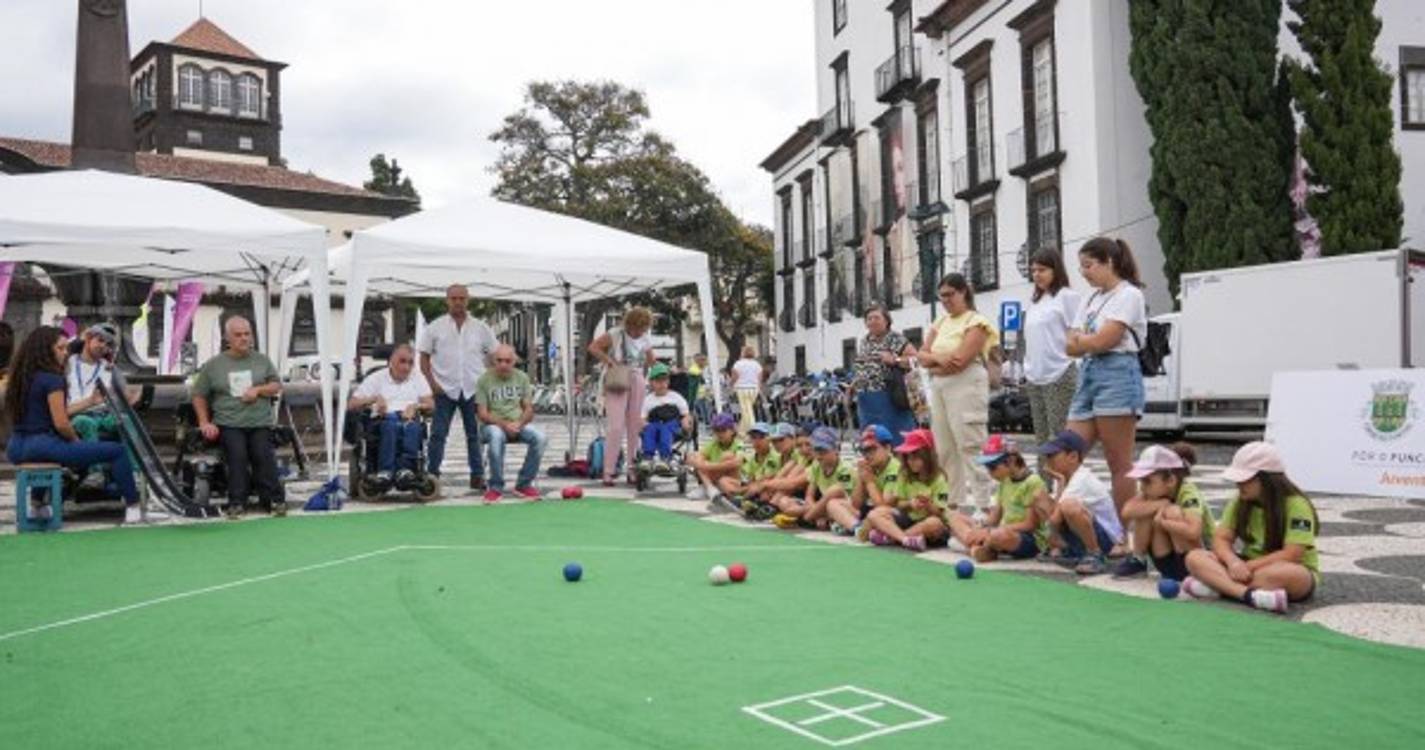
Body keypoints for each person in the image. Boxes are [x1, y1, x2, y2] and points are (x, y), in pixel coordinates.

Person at [4, 326, 143, 524]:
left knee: (48, 456)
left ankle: (37, 505)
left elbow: (49, 413)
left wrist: (89, 402)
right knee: (117, 451)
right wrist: (76, 441)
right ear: (46, 350)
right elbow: (61, 423)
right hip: (44, 445)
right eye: (60, 349)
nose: (65, 353)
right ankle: (133, 505)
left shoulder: (20, 378)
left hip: (16, 447)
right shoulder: (53, 379)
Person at [1183, 442, 1319, 613]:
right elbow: (1221, 538)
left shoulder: (1296, 504)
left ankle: (1219, 586)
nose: (1239, 485)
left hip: (1287, 568)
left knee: (1285, 574)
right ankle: (1249, 595)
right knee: (1194, 557)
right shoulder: (1239, 501)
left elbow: (1292, 554)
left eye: (1245, 480)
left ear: (1266, 479)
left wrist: (1247, 567)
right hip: (1246, 566)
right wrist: (1233, 562)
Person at [1065, 237, 1148, 511]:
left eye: (1088, 265)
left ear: (1108, 262)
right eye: (1081, 267)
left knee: (1118, 462)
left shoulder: (1129, 295)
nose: (1084, 272)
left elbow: (1105, 341)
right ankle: (1070, 527)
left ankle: (1121, 535)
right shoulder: (1090, 298)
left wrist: (1084, 340)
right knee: (1065, 453)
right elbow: (1070, 345)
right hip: (1088, 372)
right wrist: (1087, 341)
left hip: (1118, 373)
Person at [917, 273, 1000, 513]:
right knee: (944, 447)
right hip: (940, 385)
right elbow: (922, 356)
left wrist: (932, 359)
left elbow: (961, 360)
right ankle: (953, 502)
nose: (945, 300)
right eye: (941, 296)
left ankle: (984, 505)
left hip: (966, 383)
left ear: (964, 292)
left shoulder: (976, 322)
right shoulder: (940, 322)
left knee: (970, 444)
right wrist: (938, 358)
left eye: (950, 294)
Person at [191, 316, 286, 518]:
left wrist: (258, 390)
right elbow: (198, 394)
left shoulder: (261, 360)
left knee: (263, 455)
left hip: (259, 420)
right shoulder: (214, 365)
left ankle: (273, 500)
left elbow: (276, 385)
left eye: (247, 334)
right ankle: (236, 502)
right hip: (229, 422)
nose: (244, 338)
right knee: (237, 456)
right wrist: (204, 422)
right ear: (227, 338)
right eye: (238, 335)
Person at [419, 284, 498, 490]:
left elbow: (494, 356)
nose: (458, 302)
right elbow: (424, 357)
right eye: (454, 298)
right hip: (444, 388)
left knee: (475, 435)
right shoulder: (435, 327)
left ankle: (477, 475)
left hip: (473, 388)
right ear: (447, 300)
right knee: (438, 433)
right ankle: (432, 474)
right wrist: (432, 384)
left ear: (468, 300)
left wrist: (489, 381)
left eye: (462, 298)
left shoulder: (482, 328)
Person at [1115, 444, 1215, 580]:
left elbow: (1193, 531)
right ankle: (1138, 559)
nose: (1142, 487)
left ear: (1171, 480)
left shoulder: (1188, 492)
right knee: (1145, 509)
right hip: (1166, 561)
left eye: (1147, 481)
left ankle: (1193, 572)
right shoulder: (1152, 493)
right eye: (1141, 481)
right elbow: (1127, 511)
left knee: (1172, 512)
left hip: (1198, 559)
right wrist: (1161, 504)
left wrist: (1163, 522)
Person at [1023, 249, 1082, 476]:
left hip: (1059, 372)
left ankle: (1064, 486)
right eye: (1034, 270)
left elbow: (1077, 332)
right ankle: (1044, 488)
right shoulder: (1035, 302)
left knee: (1059, 437)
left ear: (1055, 270)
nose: (1037, 275)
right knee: (1041, 437)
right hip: (1035, 375)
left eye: (1042, 269)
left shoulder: (1067, 296)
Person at [948, 436, 1048, 562]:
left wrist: (989, 531)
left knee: (998, 536)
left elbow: (1030, 524)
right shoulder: (1004, 481)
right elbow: (994, 518)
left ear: (1010, 460)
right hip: (1001, 530)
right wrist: (981, 527)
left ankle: (976, 546)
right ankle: (978, 546)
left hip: (1026, 537)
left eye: (993, 467)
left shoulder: (1032, 482)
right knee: (954, 517)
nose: (990, 473)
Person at [347, 343, 434, 489]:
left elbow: (431, 404)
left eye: (410, 363)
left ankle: (405, 471)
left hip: (409, 417)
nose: (406, 367)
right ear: (391, 361)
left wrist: (415, 406)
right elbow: (352, 404)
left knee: (411, 426)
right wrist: (374, 399)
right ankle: (385, 471)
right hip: (383, 418)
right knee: (391, 423)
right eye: (402, 361)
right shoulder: (375, 378)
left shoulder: (417, 378)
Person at [1039, 430, 1124, 575]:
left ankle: (1095, 554)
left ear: (1073, 457)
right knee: (1040, 498)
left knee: (1069, 506)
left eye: (1052, 455)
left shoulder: (1082, 479)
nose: (1048, 460)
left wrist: (1060, 483)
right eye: (1047, 456)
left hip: (1105, 541)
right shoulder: (1063, 476)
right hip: (1081, 532)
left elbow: (1054, 519)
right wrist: (1060, 483)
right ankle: (1067, 549)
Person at [64, 324, 140, 489]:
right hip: (76, 415)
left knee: (127, 420)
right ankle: (95, 472)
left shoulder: (110, 369)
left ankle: (134, 472)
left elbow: (123, 395)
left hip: (103, 415)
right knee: (86, 423)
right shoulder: (67, 364)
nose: (103, 347)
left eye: (108, 345)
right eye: (100, 341)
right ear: (88, 338)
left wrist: (129, 399)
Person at [589, 307, 657, 486]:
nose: (638, 332)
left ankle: (632, 469)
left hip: (637, 379)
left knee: (635, 426)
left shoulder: (645, 338)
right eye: (637, 328)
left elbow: (652, 360)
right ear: (629, 324)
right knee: (616, 426)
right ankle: (608, 471)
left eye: (642, 329)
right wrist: (609, 361)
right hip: (617, 377)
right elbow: (593, 347)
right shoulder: (615, 333)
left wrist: (653, 369)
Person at [476, 344, 546, 502]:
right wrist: (504, 425)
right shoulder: (484, 380)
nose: (503, 364)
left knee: (540, 438)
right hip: (492, 425)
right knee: (495, 436)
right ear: (493, 361)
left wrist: (519, 424)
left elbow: (528, 409)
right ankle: (495, 486)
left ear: (514, 362)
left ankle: (524, 484)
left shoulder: (522, 378)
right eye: (499, 360)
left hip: (517, 423)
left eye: (507, 361)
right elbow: (482, 414)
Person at [851, 304, 918, 443]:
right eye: (869, 319)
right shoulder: (865, 341)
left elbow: (917, 361)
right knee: (872, 440)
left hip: (889, 397)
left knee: (896, 438)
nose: (872, 321)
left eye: (877, 318)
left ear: (886, 320)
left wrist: (895, 360)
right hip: (866, 400)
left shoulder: (896, 339)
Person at [825, 425, 900, 537]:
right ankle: (858, 528)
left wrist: (869, 482)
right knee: (833, 504)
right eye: (864, 451)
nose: (867, 455)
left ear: (887, 448)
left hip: (888, 514)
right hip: (870, 511)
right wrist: (861, 478)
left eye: (872, 449)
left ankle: (858, 527)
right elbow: (856, 505)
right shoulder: (869, 466)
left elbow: (883, 505)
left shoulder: (895, 468)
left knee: (876, 514)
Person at [775, 426, 852, 530]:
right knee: (784, 502)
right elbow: (809, 495)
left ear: (836, 449)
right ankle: (815, 518)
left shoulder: (844, 470)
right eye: (816, 451)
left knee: (834, 492)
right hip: (820, 507)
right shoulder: (816, 466)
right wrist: (815, 509)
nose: (819, 456)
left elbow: (848, 500)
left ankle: (805, 519)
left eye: (823, 451)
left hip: (841, 506)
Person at [710, 421, 781, 513]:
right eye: (753, 438)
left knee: (762, 492)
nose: (756, 441)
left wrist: (742, 489)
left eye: (761, 437)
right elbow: (749, 479)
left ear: (769, 439)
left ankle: (742, 500)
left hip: (767, 486)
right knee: (724, 481)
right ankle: (741, 499)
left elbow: (766, 480)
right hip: (752, 486)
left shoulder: (774, 456)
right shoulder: (753, 457)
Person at [742, 422, 808, 520]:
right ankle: (768, 506)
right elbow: (774, 478)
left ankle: (770, 507)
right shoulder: (779, 457)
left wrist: (765, 485)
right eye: (774, 441)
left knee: (779, 490)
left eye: (781, 440)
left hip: (802, 493)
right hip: (791, 492)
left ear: (793, 439)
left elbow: (789, 482)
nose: (777, 444)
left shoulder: (797, 454)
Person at [639, 363, 692, 472]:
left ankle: (665, 457)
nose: (661, 384)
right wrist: (643, 424)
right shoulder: (648, 399)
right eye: (657, 381)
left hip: (672, 424)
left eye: (664, 381)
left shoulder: (676, 397)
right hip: (654, 423)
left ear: (668, 382)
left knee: (665, 429)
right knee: (649, 429)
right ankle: (648, 457)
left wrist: (686, 422)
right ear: (651, 383)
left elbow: (686, 414)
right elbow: (643, 417)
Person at [686, 412, 743, 501]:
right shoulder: (713, 443)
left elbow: (737, 462)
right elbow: (696, 459)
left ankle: (709, 487)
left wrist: (707, 465)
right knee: (696, 456)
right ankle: (709, 488)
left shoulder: (738, 444)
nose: (720, 433)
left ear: (732, 430)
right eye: (716, 430)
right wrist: (700, 462)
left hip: (731, 480)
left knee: (727, 456)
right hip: (716, 477)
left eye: (723, 430)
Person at [730, 345, 763, 435]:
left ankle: (753, 430)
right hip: (754, 388)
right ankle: (741, 431)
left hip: (742, 388)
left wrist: (731, 385)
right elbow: (759, 378)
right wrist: (759, 388)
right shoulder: (757, 364)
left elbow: (735, 376)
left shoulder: (738, 363)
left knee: (746, 411)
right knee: (748, 409)